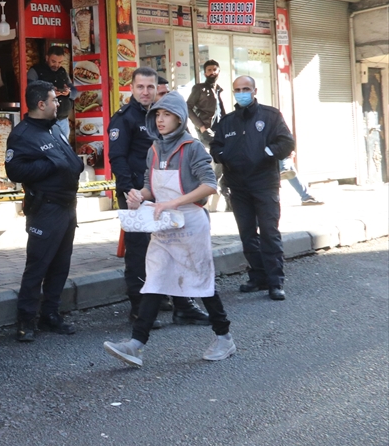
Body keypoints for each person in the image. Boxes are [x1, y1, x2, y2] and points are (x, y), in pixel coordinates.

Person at [104, 92, 236, 367]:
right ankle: (136, 345)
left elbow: (209, 185)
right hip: (163, 224)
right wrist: (139, 196)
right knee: (154, 281)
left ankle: (224, 337)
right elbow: (149, 187)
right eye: (157, 115)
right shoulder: (153, 149)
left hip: (190, 223)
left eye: (166, 114)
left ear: (179, 117)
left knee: (201, 281)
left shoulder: (193, 147)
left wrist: (175, 201)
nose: (160, 120)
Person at [108, 67, 211, 329]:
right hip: (138, 194)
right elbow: (118, 158)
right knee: (139, 250)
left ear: (157, 89)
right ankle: (139, 307)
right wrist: (132, 195)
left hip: (167, 195)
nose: (145, 92)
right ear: (131, 88)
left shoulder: (163, 114)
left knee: (174, 246)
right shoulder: (123, 118)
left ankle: (182, 304)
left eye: (150, 87)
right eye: (140, 87)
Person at [6, 82, 84, 342]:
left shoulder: (53, 129)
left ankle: (50, 314)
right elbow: (14, 171)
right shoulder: (22, 134)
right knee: (38, 265)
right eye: (54, 100)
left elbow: (68, 162)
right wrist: (51, 166)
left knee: (61, 265)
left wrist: (64, 164)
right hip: (46, 208)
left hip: (66, 206)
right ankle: (25, 321)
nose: (57, 103)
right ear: (41, 104)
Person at [211, 76, 295, 300]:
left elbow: (287, 142)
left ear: (255, 90)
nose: (242, 93)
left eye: (246, 89)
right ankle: (258, 277)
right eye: (237, 89)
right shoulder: (227, 121)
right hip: (238, 186)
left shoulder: (270, 115)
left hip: (264, 184)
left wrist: (267, 153)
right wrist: (223, 155)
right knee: (247, 235)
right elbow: (215, 146)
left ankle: (275, 282)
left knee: (269, 233)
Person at [186, 59, 230, 210]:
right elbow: (187, 107)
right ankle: (213, 189)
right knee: (220, 157)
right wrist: (201, 127)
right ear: (204, 73)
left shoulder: (219, 89)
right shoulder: (199, 89)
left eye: (214, 70)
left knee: (223, 159)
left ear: (219, 71)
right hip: (207, 131)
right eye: (209, 70)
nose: (212, 72)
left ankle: (219, 191)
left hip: (221, 131)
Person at [26, 45, 77, 138]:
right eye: (53, 61)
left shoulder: (62, 71)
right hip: (45, 119)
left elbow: (74, 91)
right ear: (47, 58)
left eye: (60, 62)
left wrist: (68, 92)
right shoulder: (35, 71)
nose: (56, 65)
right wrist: (49, 93)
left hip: (63, 119)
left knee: (62, 150)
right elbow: (30, 92)